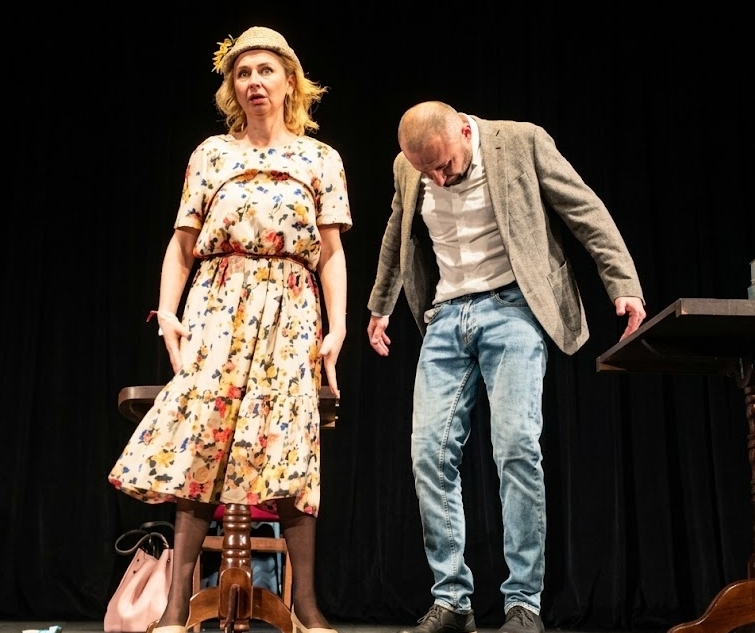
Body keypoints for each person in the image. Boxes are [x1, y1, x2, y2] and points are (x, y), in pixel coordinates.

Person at [366, 101, 646, 633]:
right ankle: (452, 601)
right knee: (428, 453)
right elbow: (396, 232)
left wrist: (623, 285)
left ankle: (524, 604)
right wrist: (381, 305)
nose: (438, 179)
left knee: (516, 447)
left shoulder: (520, 142)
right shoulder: (410, 167)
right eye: (427, 172)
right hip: (446, 316)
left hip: (513, 307)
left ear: (464, 130)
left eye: (444, 165)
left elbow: (585, 211)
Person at [108, 26, 350, 633]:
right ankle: (175, 607)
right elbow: (182, 245)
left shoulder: (320, 158)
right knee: (202, 443)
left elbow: (330, 253)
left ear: (290, 82)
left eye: (266, 71)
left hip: (290, 307)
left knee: (290, 446)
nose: (254, 82)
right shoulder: (212, 154)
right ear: (232, 88)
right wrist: (168, 316)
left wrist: (338, 326)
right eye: (243, 73)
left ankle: (306, 604)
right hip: (218, 303)